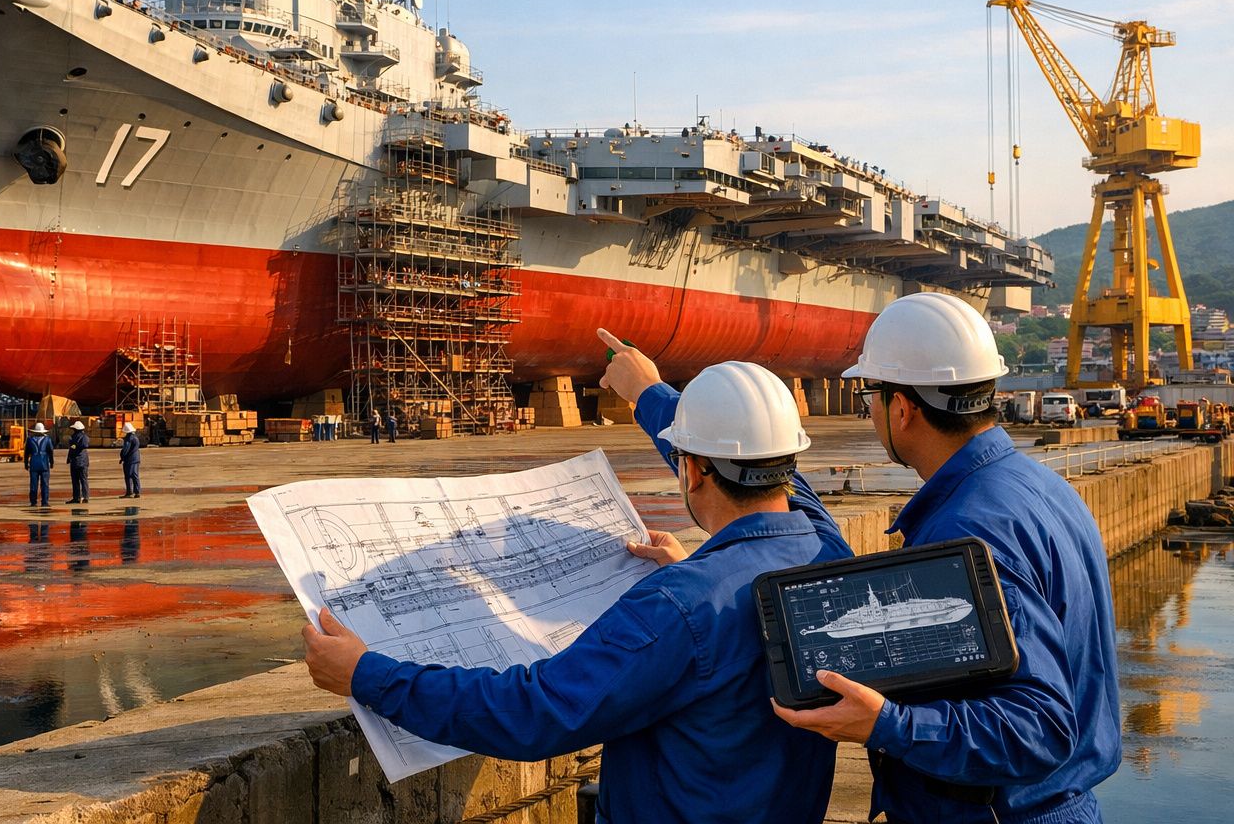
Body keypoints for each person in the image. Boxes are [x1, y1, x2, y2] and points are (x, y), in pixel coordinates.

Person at [303, 348, 852, 823]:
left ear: (694, 470)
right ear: (787, 459)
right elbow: (771, 478)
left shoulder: (678, 605)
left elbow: (537, 712)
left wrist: (367, 675)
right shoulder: (830, 554)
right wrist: (649, 394)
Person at [770, 292, 1121, 824]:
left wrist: (886, 724)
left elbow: (1039, 730)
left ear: (903, 409)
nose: (869, 412)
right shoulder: (1040, 488)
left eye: (871, 395)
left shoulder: (969, 529)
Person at [23, 422, 54, 508]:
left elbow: (26, 453)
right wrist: (51, 462)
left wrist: (26, 463)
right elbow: (51, 452)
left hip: (34, 464)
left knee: (33, 484)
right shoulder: (47, 440)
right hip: (44, 464)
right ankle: (45, 502)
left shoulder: (30, 440)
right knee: (45, 484)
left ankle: (33, 502)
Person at [65, 420, 90, 504]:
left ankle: (82, 497)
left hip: (79, 461)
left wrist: (75, 446)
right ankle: (79, 497)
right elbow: (72, 448)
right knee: (79, 480)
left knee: (81, 480)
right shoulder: (75, 437)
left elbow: (83, 445)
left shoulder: (82, 437)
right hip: (77, 461)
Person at [119, 421, 142, 498]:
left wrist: (122, 457)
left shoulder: (128, 438)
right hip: (136, 458)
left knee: (128, 476)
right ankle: (137, 491)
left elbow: (126, 449)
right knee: (135, 475)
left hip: (130, 460)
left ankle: (129, 492)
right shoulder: (135, 437)